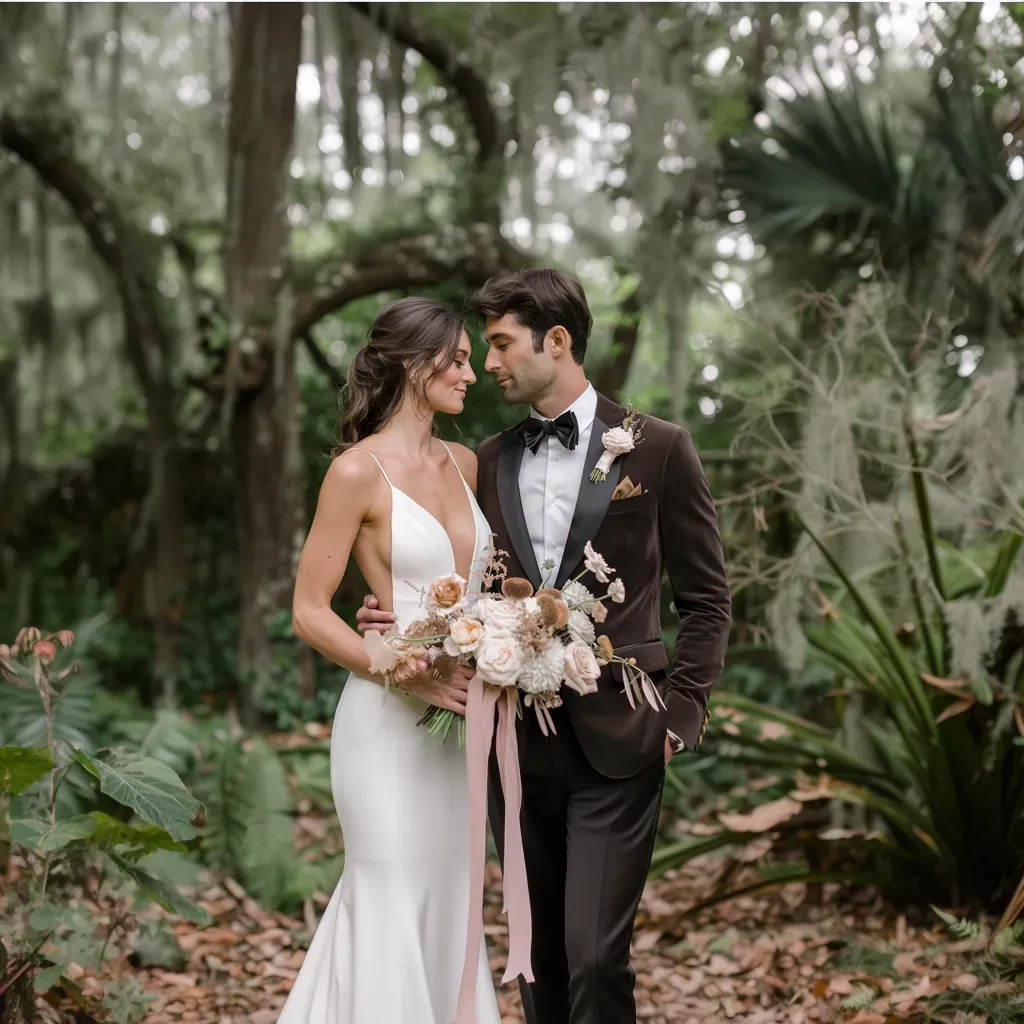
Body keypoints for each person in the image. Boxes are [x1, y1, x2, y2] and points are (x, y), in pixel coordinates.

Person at [357, 268, 732, 1024]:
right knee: (538, 960)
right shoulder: (484, 461)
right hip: (511, 743)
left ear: (555, 341)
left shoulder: (658, 449)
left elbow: (709, 598)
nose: (486, 363)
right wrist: (399, 622)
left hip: (624, 737)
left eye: (499, 344)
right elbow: (453, 575)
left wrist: (681, 716)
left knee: (596, 955)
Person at [278, 297, 501, 1024]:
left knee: (450, 903)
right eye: (460, 359)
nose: (474, 373)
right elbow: (310, 610)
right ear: (414, 365)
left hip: (461, 729)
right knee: (388, 897)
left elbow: (489, 590)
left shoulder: (467, 462)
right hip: (385, 725)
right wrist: (397, 663)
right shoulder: (354, 473)